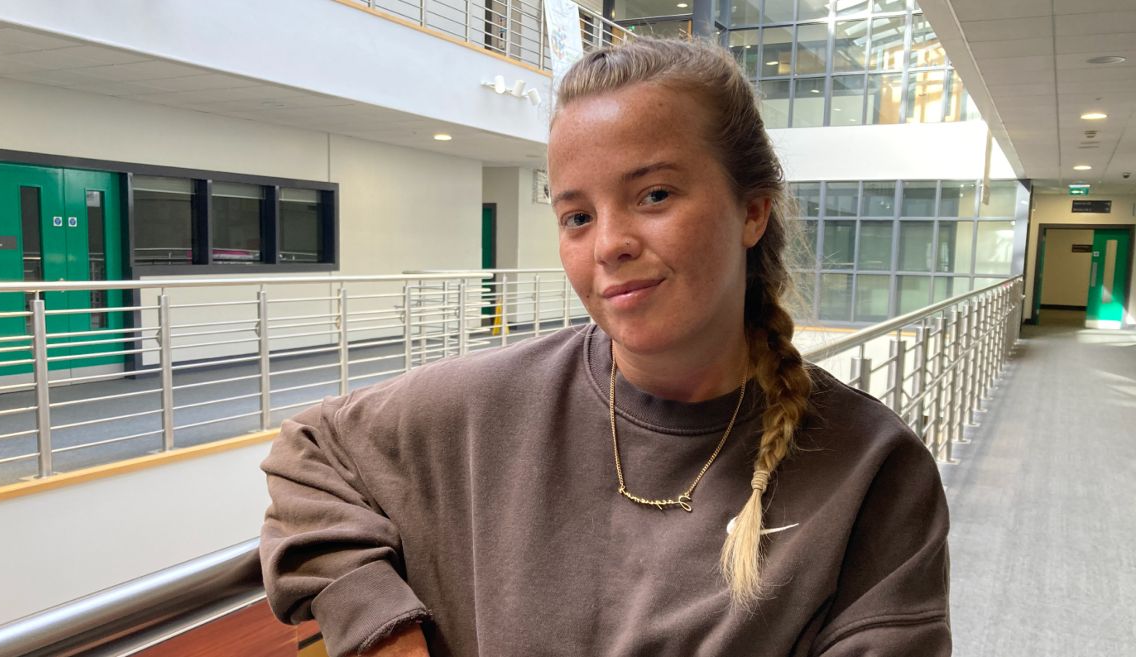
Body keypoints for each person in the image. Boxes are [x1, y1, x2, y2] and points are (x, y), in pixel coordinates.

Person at [260, 38, 951, 657]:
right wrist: (382, 629)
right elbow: (309, 453)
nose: (609, 244)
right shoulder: (486, 404)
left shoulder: (872, 471)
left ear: (752, 209)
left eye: (653, 194)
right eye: (577, 216)